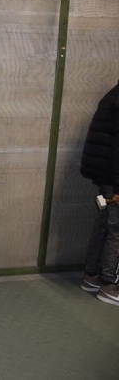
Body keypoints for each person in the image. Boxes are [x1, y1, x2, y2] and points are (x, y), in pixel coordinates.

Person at [80, 81, 119, 306]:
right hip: (114, 178)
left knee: (105, 223)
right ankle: (110, 285)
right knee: (117, 229)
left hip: (105, 176)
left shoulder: (112, 96)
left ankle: (92, 275)